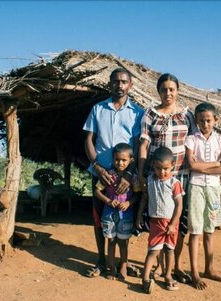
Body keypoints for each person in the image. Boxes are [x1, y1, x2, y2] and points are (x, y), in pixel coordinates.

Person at [83, 68, 144, 278]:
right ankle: (102, 261)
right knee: (100, 217)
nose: (120, 85)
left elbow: (138, 145)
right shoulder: (98, 109)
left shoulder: (137, 112)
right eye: (116, 81)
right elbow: (88, 139)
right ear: (109, 84)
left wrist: (130, 174)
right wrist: (97, 167)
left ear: (130, 85)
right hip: (101, 173)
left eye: (124, 82)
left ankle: (123, 263)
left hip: (125, 176)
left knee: (125, 216)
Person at [138, 73, 196, 283]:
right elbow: (144, 145)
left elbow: (194, 143)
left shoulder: (187, 115)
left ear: (177, 90)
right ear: (158, 91)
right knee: (158, 219)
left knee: (177, 222)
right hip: (157, 177)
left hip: (181, 176)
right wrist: (141, 172)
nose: (168, 93)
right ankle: (160, 267)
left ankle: (175, 267)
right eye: (164, 89)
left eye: (172, 89)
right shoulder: (150, 115)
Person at [185, 102, 221, 290]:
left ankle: (209, 269)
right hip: (196, 187)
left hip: (213, 189)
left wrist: (203, 165)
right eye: (201, 121)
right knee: (195, 231)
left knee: (209, 230)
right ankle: (195, 272)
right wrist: (214, 164)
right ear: (196, 121)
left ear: (215, 120)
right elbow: (191, 166)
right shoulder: (191, 140)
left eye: (209, 120)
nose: (205, 124)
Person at [137, 146, 183, 293]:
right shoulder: (149, 180)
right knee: (153, 251)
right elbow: (144, 199)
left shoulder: (174, 183)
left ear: (172, 166)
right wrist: (139, 216)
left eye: (166, 169)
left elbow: (179, 205)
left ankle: (168, 275)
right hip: (156, 223)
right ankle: (145, 279)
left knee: (169, 250)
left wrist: (173, 223)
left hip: (170, 223)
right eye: (158, 168)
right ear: (153, 166)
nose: (162, 172)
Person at [94, 143, 140, 281]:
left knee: (123, 242)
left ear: (131, 160)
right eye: (117, 160)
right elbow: (97, 191)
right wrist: (108, 201)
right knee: (111, 241)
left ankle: (123, 267)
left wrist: (128, 203)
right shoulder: (108, 175)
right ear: (113, 159)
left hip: (125, 215)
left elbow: (138, 194)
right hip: (109, 214)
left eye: (124, 160)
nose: (120, 163)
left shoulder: (133, 178)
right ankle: (112, 268)